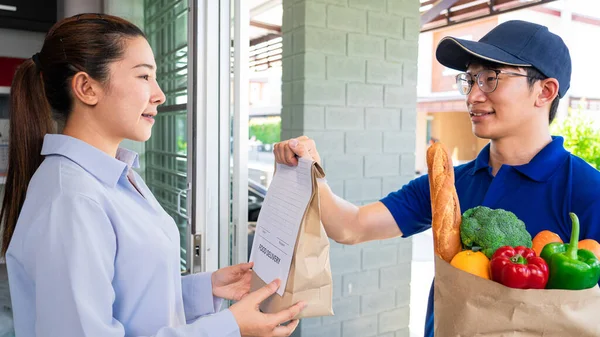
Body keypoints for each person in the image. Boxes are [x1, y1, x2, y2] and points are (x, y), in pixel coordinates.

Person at [274, 20, 600, 337]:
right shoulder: (449, 182)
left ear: (545, 91)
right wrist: (310, 170)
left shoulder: (587, 191)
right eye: (470, 80)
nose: (473, 96)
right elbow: (352, 226)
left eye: (490, 78)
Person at [2, 13, 304, 337]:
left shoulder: (116, 175)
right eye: (144, 76)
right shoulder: (71, 200)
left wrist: (208, 288)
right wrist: (230, 327)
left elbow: (131, 300)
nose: (159, 94)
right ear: (87, 88)